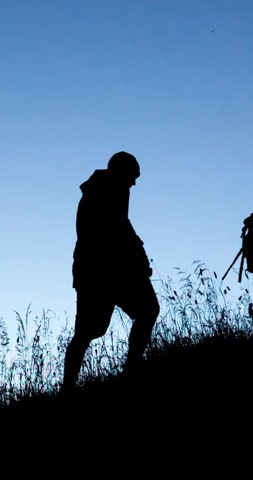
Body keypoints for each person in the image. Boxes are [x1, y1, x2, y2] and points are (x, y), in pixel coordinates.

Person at [65, 151, 159, 390]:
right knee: (89, 331)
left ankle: (129, 370)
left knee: (145, 310)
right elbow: (116, 231)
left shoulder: (107, 190)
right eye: (132, 177)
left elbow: (122, 228)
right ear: (121, 172)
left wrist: (137, 259)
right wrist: (137, 260)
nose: (134, 183)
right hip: (102, 272)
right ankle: (69, 387)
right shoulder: (103, 192)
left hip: (105, 270)